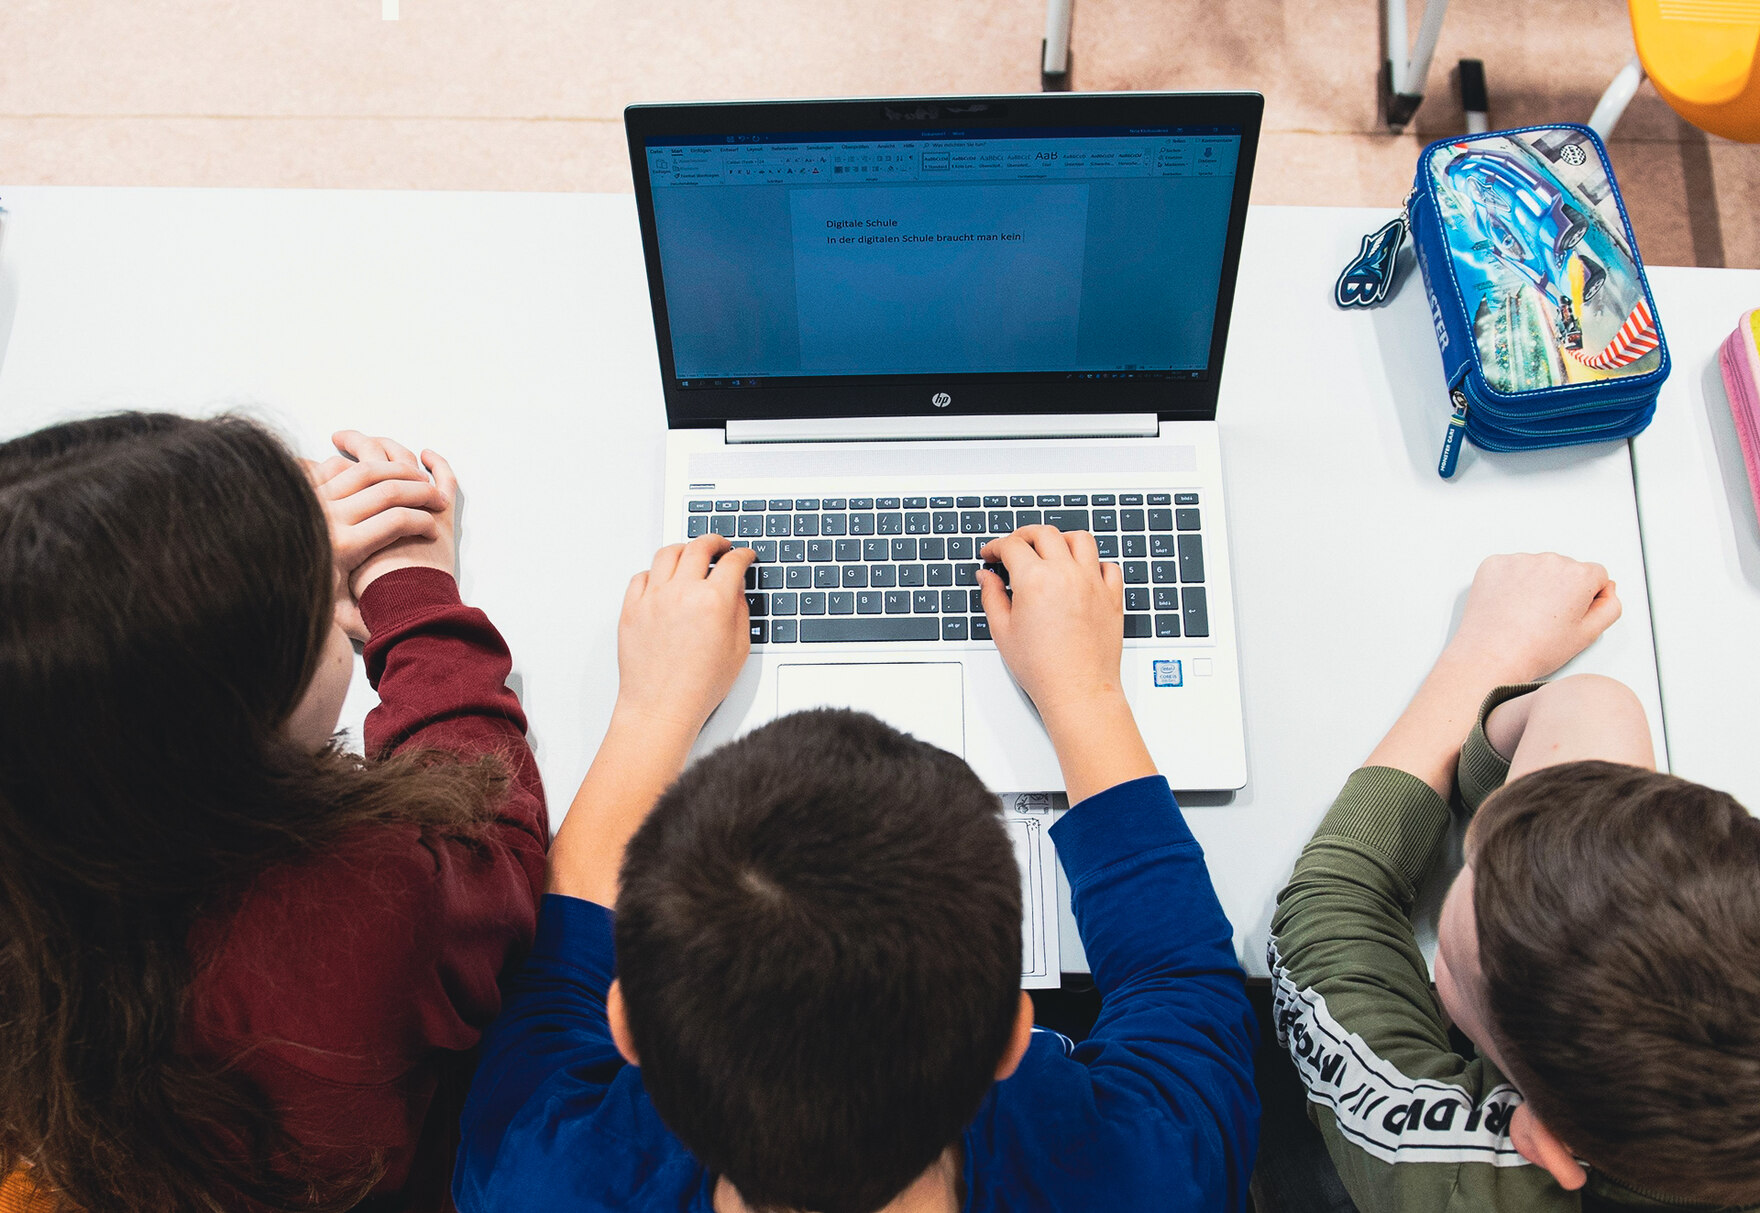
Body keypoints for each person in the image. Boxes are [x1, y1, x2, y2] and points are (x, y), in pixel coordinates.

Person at [455, 525, 1259, 1213]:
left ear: (626, 1022)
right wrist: (1085, 693)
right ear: (1014, 1034)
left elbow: (559, 978)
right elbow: (1182, 983)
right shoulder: (1155, 1176)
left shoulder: (537, 1175)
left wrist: (653, 708)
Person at [0, 414, 549, 1213]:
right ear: (229, 733)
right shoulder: (357, 910)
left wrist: (241, 548)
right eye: (310, 609)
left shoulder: (52, 815)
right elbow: (492, 831)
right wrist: (411, 592)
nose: (328, 602)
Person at [1269, 552, 1760, 1212]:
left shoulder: (1464, 1180)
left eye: (1468, 868)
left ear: (1535, 1121)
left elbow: (1332, 902)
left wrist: (1490, 654)